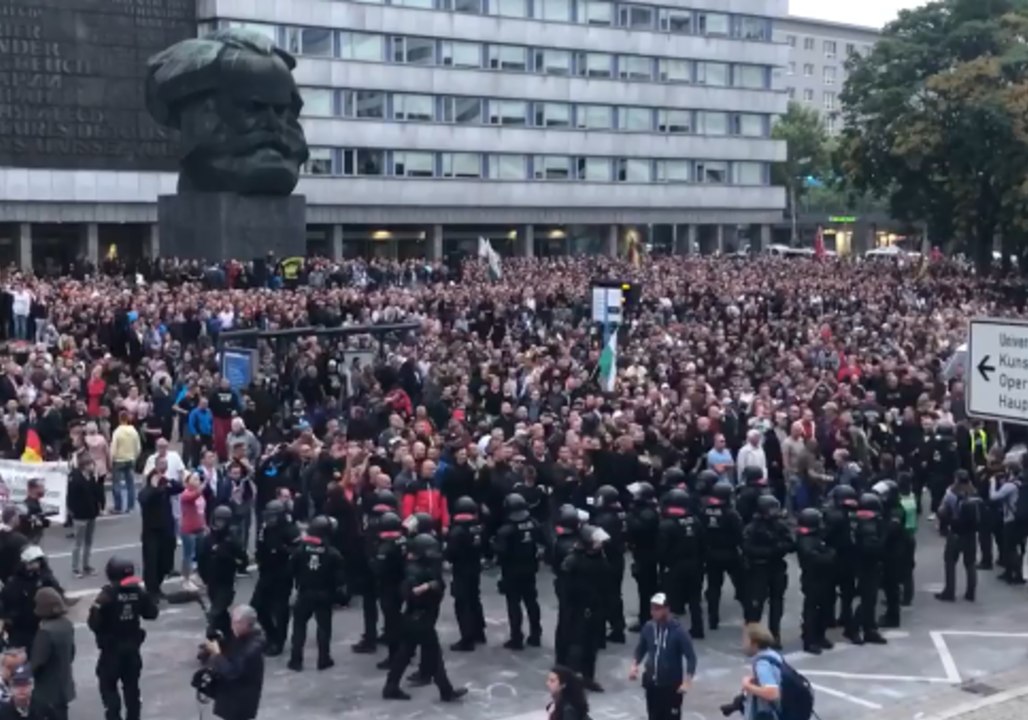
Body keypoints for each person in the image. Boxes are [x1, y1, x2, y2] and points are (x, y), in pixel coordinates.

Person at [382, 534, 467, 703]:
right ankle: (446, 692)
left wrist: (429, 586)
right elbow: (412, 594)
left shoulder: (421, 567)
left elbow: (439, 584)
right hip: (420, 619)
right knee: (434, 656)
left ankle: (390, 687)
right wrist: (429, 588)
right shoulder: (414, 571)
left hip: (415, 619)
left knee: (404, 654)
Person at [87, 557, 159, 720]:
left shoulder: (107, 596)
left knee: (109, 689)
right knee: (132, 690)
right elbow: (152, 614)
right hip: (132, 650)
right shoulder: (138, 592)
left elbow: (94, 624)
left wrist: (98, 606)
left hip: (111, 652)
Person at [288, 515, 344, 672]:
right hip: (324, 594)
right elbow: (340, 579)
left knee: (299, 627)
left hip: (305, 592)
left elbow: (291, 570)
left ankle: (296, 660)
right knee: (324, 628)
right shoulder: (333, 553)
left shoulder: (300, 550)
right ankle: (323, 659)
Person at [629, 593, 697, 720]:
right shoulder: (648, 628)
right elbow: (641, 649)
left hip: (671, 687)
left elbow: (691, 657)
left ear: (667, 609)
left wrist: (687, 682)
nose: (654, 612)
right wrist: (634, 665)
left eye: (658, 608)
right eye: (653, 608)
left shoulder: (679, 632)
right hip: (652, 685)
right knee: (653, 716)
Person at [493, 492, 544, 650]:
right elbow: (544, 542)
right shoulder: (534, 523)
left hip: (511, 571)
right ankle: (535, 634)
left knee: (514, 604)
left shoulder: (506, 530)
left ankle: (517, 638)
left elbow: (501, 552)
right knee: (532, 602)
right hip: (530, 569)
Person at [561, 525, 609, 693]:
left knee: (592, 646)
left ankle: (588, 678)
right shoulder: (573, 560)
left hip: (595, 608)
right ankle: (569, 681)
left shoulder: (600, 557)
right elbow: (566, 588)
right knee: (576, 647)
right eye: (596, 542)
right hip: (578, 610)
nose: (600, 545)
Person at [741, 495, 793, 648]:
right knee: (755, 606)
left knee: (777, 602)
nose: (774, 512)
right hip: (758, 569)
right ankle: (754, 638)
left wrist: (779, 548)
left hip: (776, 568)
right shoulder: (752, 528)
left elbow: (791, 543)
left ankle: (774, 635)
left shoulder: (779, 526)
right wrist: (768, 551)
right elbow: (747, 548)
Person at [250, 500, 299, 657]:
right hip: (266, 572)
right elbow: (260, 546)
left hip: (283, 574)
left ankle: (279, 641)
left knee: (280, 609)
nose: (270, 520)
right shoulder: (265, 529)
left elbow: (297, 552)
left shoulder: (290, 530)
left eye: (273, 517)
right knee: (257, 605)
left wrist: (283, 550)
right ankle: (271, 634)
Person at [657, 488, 705, 638]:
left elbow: (662, 549)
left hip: (674, 566)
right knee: (694, 599)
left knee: (669, 600)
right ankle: (698, 628)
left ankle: (668, 630)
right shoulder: (695, 520)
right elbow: (703, 543)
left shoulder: (667, 524)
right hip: (695, 564)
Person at [203, 605, 265, 720]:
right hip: (233, 694)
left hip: (240, 698)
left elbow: (233, 671)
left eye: (236, 622)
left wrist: (217, 654)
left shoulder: (252, 647)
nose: (232, 626)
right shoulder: (242, 636)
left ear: (246, 623)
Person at [0, 547, 64, 655]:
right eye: (31, 562)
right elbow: (5, 602)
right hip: (20, 630)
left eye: (37, 562)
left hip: (41, 628)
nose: (34, 565)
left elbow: (57, 597)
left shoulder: (47, 579)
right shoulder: (15, 582)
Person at [198, 506, 248, 640]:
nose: (218, 524)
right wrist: (205, 578)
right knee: (221, 614)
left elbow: (243, 561)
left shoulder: (232, 541)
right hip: (212, 583)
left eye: (222, 522)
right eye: (217, 521)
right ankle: (230, 637)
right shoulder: (208, 539)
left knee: (215, 612)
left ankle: (211, 634)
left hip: (226, 583)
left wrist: (228, 558)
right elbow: (201, 560)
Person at [701, 481, 745, 632]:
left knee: (713, 587)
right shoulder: (731, 513)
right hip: (730, 553)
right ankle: (749, 615)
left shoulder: (705, 510)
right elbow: (740, 534)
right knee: (741, 585)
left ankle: (713, 619)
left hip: (711, 553)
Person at [444, 496, 486, 651]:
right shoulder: (477, 527)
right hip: (474, 567)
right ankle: (479, 632)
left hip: (461, 569)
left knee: (462, 603)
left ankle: (467, 638)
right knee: (475, 599)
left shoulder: (457, 530)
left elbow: (450, 553)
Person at [137, 467, 183, 600]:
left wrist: (168, 480)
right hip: (151, 533)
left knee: (165, 561)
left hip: (166, 531)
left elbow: (180, 488)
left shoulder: (164, 490)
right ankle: (151, 591)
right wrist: (153, 485)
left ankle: (158, 585)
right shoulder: (146, 492)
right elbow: (144, 499)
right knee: (151, 563)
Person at [28, 589, 75, 720]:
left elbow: (37, 663)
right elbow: (71, 653)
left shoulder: (45, 631)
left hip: (47, 691)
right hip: (63, 685)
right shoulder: (67, 625)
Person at [848, 493, 888, 645]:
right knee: (868, 599)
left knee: (870, 599)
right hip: (867, 565)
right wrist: (884, 539)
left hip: (863, 564)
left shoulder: (858, 520)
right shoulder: (868, 524)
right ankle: (855, 628)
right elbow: (872, 547)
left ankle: (869, 629)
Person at [936, 470, 982, 602]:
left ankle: (949, 592)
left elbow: (942, 510)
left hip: (956, 531)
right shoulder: (974, 493)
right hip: (971, 533)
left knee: (950, 561)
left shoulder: (951, 493)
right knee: (970, 563)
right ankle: (971, 592)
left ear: (956, 479)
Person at [794, 508, 835, 655]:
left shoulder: (816, 537)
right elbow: (818, 558)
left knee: (824, 608)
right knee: (812, 610)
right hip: (812, 578)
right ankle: (810, 639)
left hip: (823, 577)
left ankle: (820, 636)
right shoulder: (805, 540)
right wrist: (829, 554)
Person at [626, 482, 660, 633]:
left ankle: (647, 619)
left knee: (646, 589)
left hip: (646, 553)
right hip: (644, 553)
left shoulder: (647, 513)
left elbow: (638, 529)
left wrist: (630, 516)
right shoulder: (646, 510)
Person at [66, 454, 104, 578]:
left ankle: (86, 565)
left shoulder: (92, 477)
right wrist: (71, 511)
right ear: (85, 466)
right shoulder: (75, 478)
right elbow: (70, 496)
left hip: (91, 513)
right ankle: (75, 568)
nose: (92, 466)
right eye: (90, 464)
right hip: (80, 514)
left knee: (89, 541)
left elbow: (97, 492)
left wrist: (99, 506)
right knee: (78, 542)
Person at [988, 466, 1025, 585]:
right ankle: (1016, 573)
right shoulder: (1021, 484)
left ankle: (1012, 574)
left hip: (1010, 519)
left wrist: (993, 483)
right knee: (1018, 547)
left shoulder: (1009, 486)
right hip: (1022, 519)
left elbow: (994, 497)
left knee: (1009, 547)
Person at [740, 624, 783, 720]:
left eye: (745, 641)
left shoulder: (762, 664)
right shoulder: (773, 655)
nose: (743, 645)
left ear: (754, 644)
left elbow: (772, 693)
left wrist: (747, 686)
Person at [109, 412, 141, 514]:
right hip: (130, 459)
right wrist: (134, 456)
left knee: (117, 484)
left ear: (119, 419)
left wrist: (111, 459)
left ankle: (118, 507)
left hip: (119, 460)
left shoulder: (117, 432)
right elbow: (138, 447)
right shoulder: (133, 431)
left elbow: (113, 448)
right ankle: (130, 506)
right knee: (130, 484)